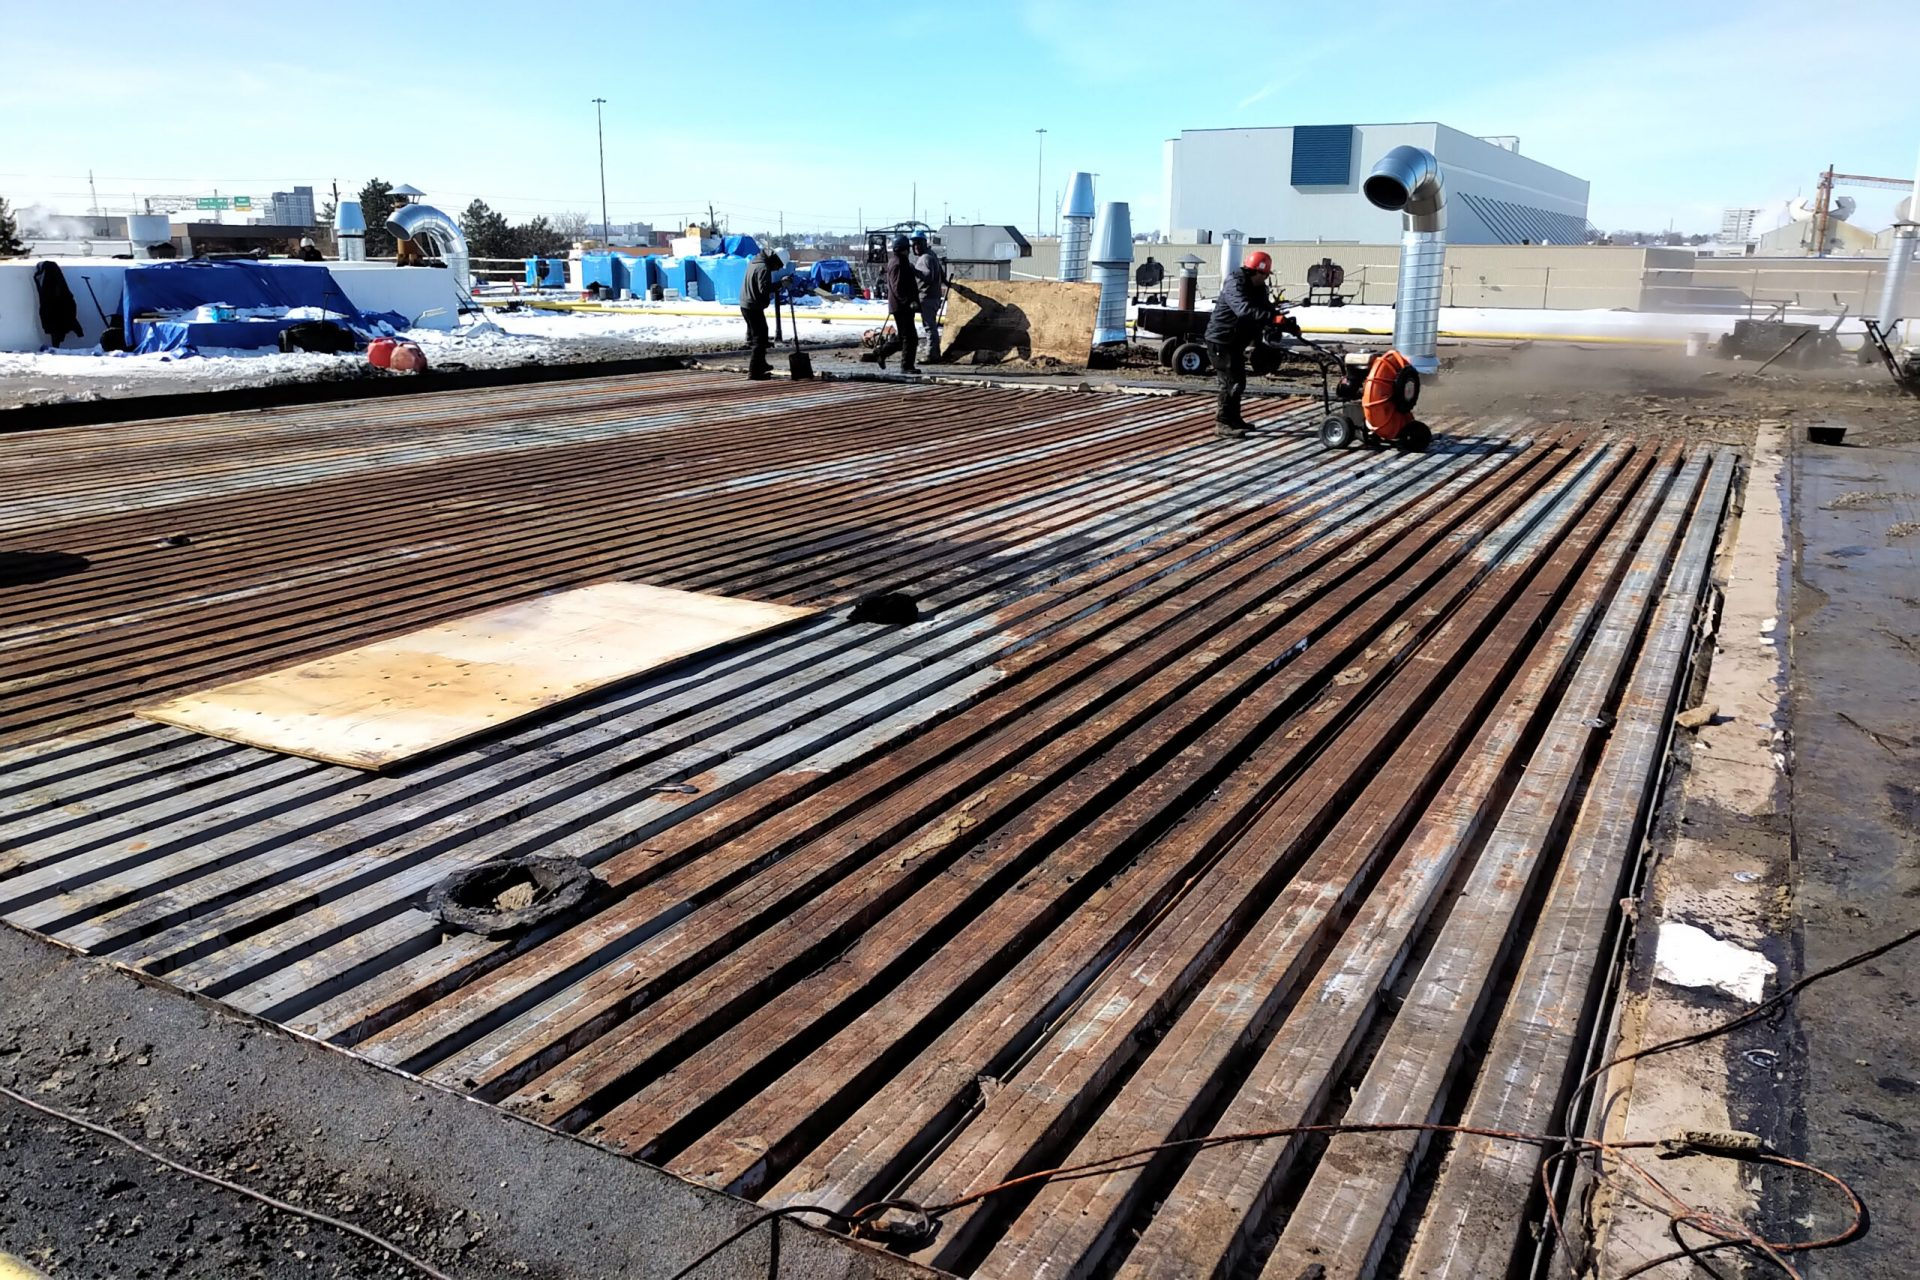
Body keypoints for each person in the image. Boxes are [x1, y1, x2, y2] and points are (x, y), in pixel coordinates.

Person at [1203, 248, 1278, 439]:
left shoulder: (1259, 288)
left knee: (1239, 381)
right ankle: (1223, 423)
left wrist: (1281, 320)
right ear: (1257, 272)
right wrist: (1269, 317)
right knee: (1230, 382)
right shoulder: (1235, 283)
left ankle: (1234, 419)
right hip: (1221, 340)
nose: (1266, 279)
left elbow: (1265, 308)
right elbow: (1244, 310)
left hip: (1236, 341)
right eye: (1265, 275)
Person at [861, 235, 920, 373]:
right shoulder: (898, 264)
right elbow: (897, 287)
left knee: (902, 337)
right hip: (902, 307)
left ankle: (880, 353)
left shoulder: (899, 262)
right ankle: (906, 366)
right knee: (910, 338)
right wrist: (908, 302)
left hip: (901, 306)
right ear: (905, 249)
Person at [740, 246, 785, 381]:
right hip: (753, 306)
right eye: (778, 266)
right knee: (759, 339)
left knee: (762, 333)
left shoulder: (754, 262)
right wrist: (780, 284)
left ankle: (761, 364)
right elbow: (763, 289)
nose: (777, 269)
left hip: (746, 304)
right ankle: (754, 371)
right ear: (774, 260)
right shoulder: (763, 268)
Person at [909, 232, 946, 363]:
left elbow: (928, 278)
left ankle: (932, 354)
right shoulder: (932, 256)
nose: (916, 246)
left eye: (919, 243)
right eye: (914, 244)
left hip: (927, 297)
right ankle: (934, 353)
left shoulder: (925, 258)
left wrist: (913, 271)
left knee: (929, 327)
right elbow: (942, 274)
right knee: (931, 326)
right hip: (933, 297)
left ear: (925, 243)